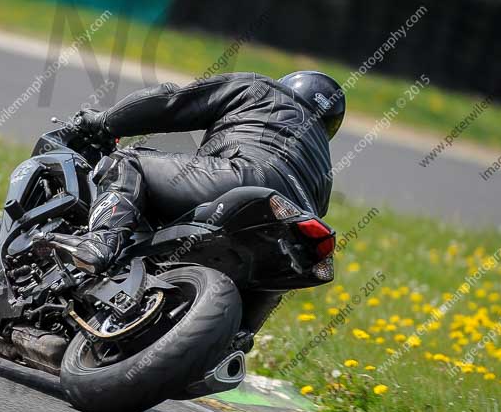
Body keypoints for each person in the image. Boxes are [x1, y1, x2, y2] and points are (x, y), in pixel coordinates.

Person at [40, 71, 345, 275]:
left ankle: (101, 241)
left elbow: (170, 102)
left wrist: (103, 122)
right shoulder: (325, 175)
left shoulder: (263, 90)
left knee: (130, 163)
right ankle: (235, 341)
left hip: (242, 177)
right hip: (294, 218)